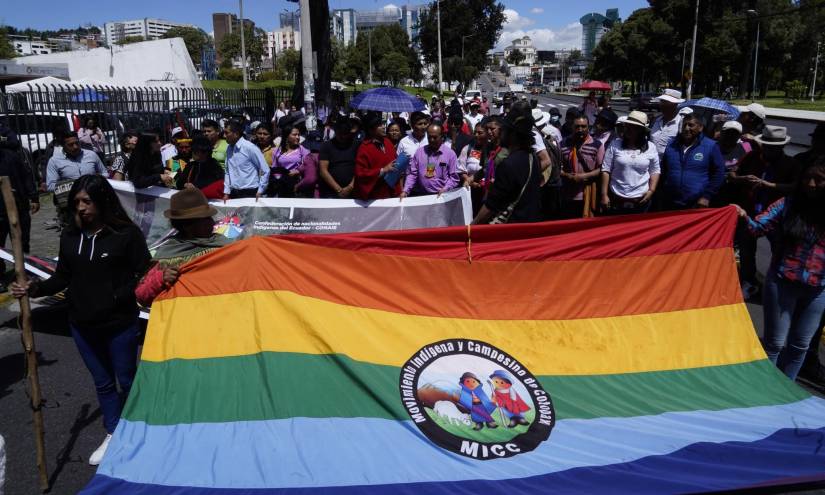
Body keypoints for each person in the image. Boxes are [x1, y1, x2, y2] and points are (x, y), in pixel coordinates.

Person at [11, 175, 151, 466]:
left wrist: (118, 296)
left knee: (126, 378)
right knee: (102, 382)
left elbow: (144, 270)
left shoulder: (126, 235)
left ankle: (140, 426)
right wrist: (34, 288)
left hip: (119, 324)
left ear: (102, 200)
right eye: (77, 203)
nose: (81, 208)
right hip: (82, 326)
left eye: (87, 201)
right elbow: (63, 276)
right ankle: (114, 432)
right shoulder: (70, 235)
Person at [734, 162, 825, 381]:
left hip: (817, 290)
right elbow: (757, 228)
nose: (811, 184)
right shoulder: (786, 205)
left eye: (819, 180)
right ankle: (762, 391)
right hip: (782, 282)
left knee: (800, 345)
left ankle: (786, 397)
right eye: (807, 178)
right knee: (774, 343)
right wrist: (742, 215)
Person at [136, 186, 229, 307]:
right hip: (183, 320)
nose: (212, 222)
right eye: (205, 219)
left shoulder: (224, 246)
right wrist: (161, 279)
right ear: (187, 226)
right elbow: (142, 296)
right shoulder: (167, 256)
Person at [472, 101, 542, 224]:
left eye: (504, 130)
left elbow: (491, 206)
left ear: (512, 134)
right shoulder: (533, 158)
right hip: (530, 227)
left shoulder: (508, 164)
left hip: (511, 229)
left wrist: (473, 225)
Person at [599, 111, 660, 215]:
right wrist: (604, 194)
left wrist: (651, 191)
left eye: (633, 127)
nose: (627, 129)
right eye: (627, 126)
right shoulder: (615, 144)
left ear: (641, 130)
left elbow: (655, 171)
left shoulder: (651, 147)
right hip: (616, 201)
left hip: (641, 202)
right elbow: (606, 169)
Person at [660, 113, 726, 209]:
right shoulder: (671, 145)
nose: (686, 128)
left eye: (691, 125)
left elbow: (719, 173)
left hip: (697, 203)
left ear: (700, 128)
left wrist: (707, 196)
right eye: (684, 125)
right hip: (670, 201)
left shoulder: (711, 146)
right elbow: (664, 169)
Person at [0, 148, 39, 273]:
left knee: (23, 242)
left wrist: (34, 197)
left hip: (19, 206)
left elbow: (26, 176)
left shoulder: (12, 156)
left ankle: (25, 270)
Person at [560, 115, 605, 218]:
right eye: (577, 126)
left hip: (587, 194)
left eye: (583, 126)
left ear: (588, 127)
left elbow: (601, 169)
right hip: (567, 195)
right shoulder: (563, 144)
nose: (580, 129)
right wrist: (567, 175)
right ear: (572, 127)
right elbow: (558, 168)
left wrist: (583, 176)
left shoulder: (597, 145)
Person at [401, 124, 459, 198]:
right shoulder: (419, 152)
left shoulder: (450, 154)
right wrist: (405, 191)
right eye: (429, 137)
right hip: (422, 196)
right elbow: (412, 174)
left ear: (442, 136)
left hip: (441, 196)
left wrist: (446, 188)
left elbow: (454, 178)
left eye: (435, 137)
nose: (431, 140)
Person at [353, 112, 399, 200]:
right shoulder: (364, 148)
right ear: (370, 130)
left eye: (382, 123)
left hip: (391, 194)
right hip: (374, 197)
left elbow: (394, 163)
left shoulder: (388, 142)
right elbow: (361, 174)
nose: (383, 127)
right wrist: (383, 170)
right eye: (379, 125)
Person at [222, 120, 269, 200]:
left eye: (227, 133)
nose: (224, 135)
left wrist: (260, 190)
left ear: (236, 134)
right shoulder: (229, 148)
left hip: (250, 193)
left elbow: (265, 170)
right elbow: (227, 171)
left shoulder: (250, 148)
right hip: (234, 193)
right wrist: (226, 192)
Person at [319, 117, 359, 199]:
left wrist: (350, 187)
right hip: (331, 192)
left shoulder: (357, 145)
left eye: (345, 133)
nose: (343, 137)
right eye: (340, 133)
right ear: (335, 131)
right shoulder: (326, 146)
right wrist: (338, 190)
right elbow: (323, 170)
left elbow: (361, 168)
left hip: (353, 191)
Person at [270, 122, 310, 198]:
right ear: (286, 136)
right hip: (282, 186)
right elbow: (275, 168)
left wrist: (298, 171)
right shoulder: (277, 151)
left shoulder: (302, 150)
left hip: (297, 185)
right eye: (294, 135)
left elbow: (308, 166)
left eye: (298, 135)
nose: (298, 137)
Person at [650, 89, 685, 159]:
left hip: (670, 164)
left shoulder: (682, 122)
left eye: (666, 102)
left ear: (675, 105)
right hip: (652, 163)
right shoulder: (655, 120)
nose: (663, 105)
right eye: (662, 102)